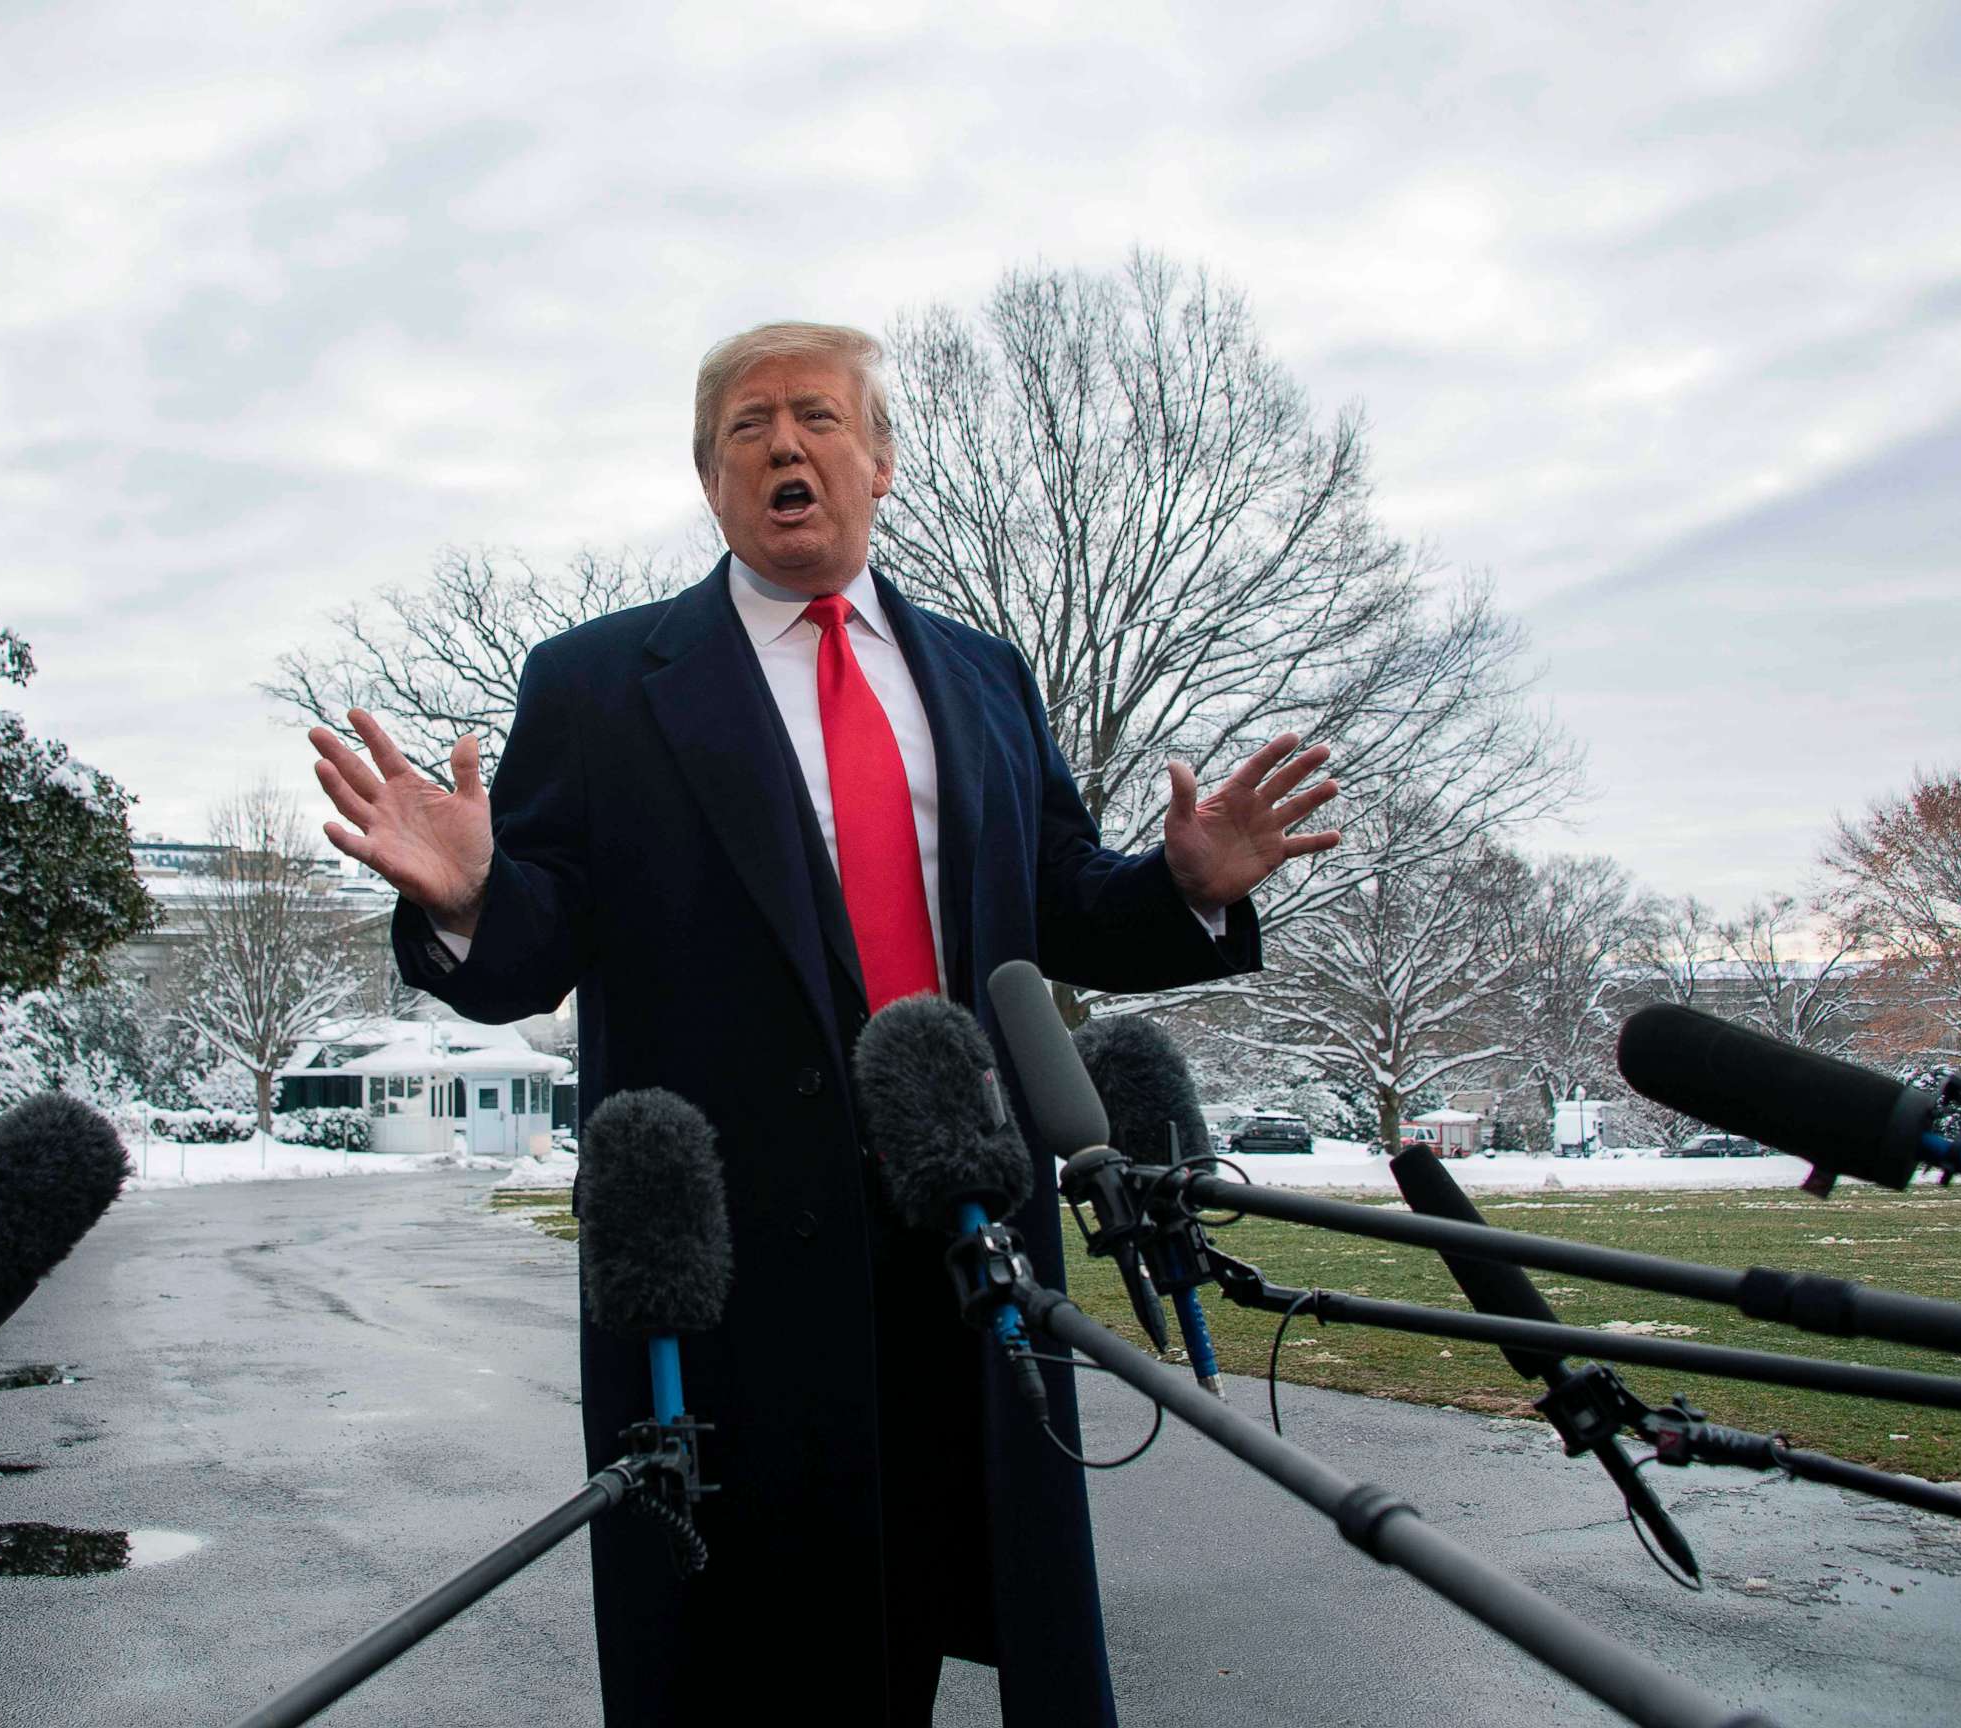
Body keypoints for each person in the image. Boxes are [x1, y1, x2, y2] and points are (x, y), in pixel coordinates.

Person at [307, 322, 1340, 1726]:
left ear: (883, 462)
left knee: (973, 1593)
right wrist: (476, 893)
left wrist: (1186, 887)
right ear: (709, 476)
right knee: (759, 1662)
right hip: (732, 1260)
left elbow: (1058, 906)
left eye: (817, 418)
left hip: (965, 1228)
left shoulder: (982, 676)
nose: (785, 447)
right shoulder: (601, 683)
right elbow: (526, 955)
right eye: (747, 427)